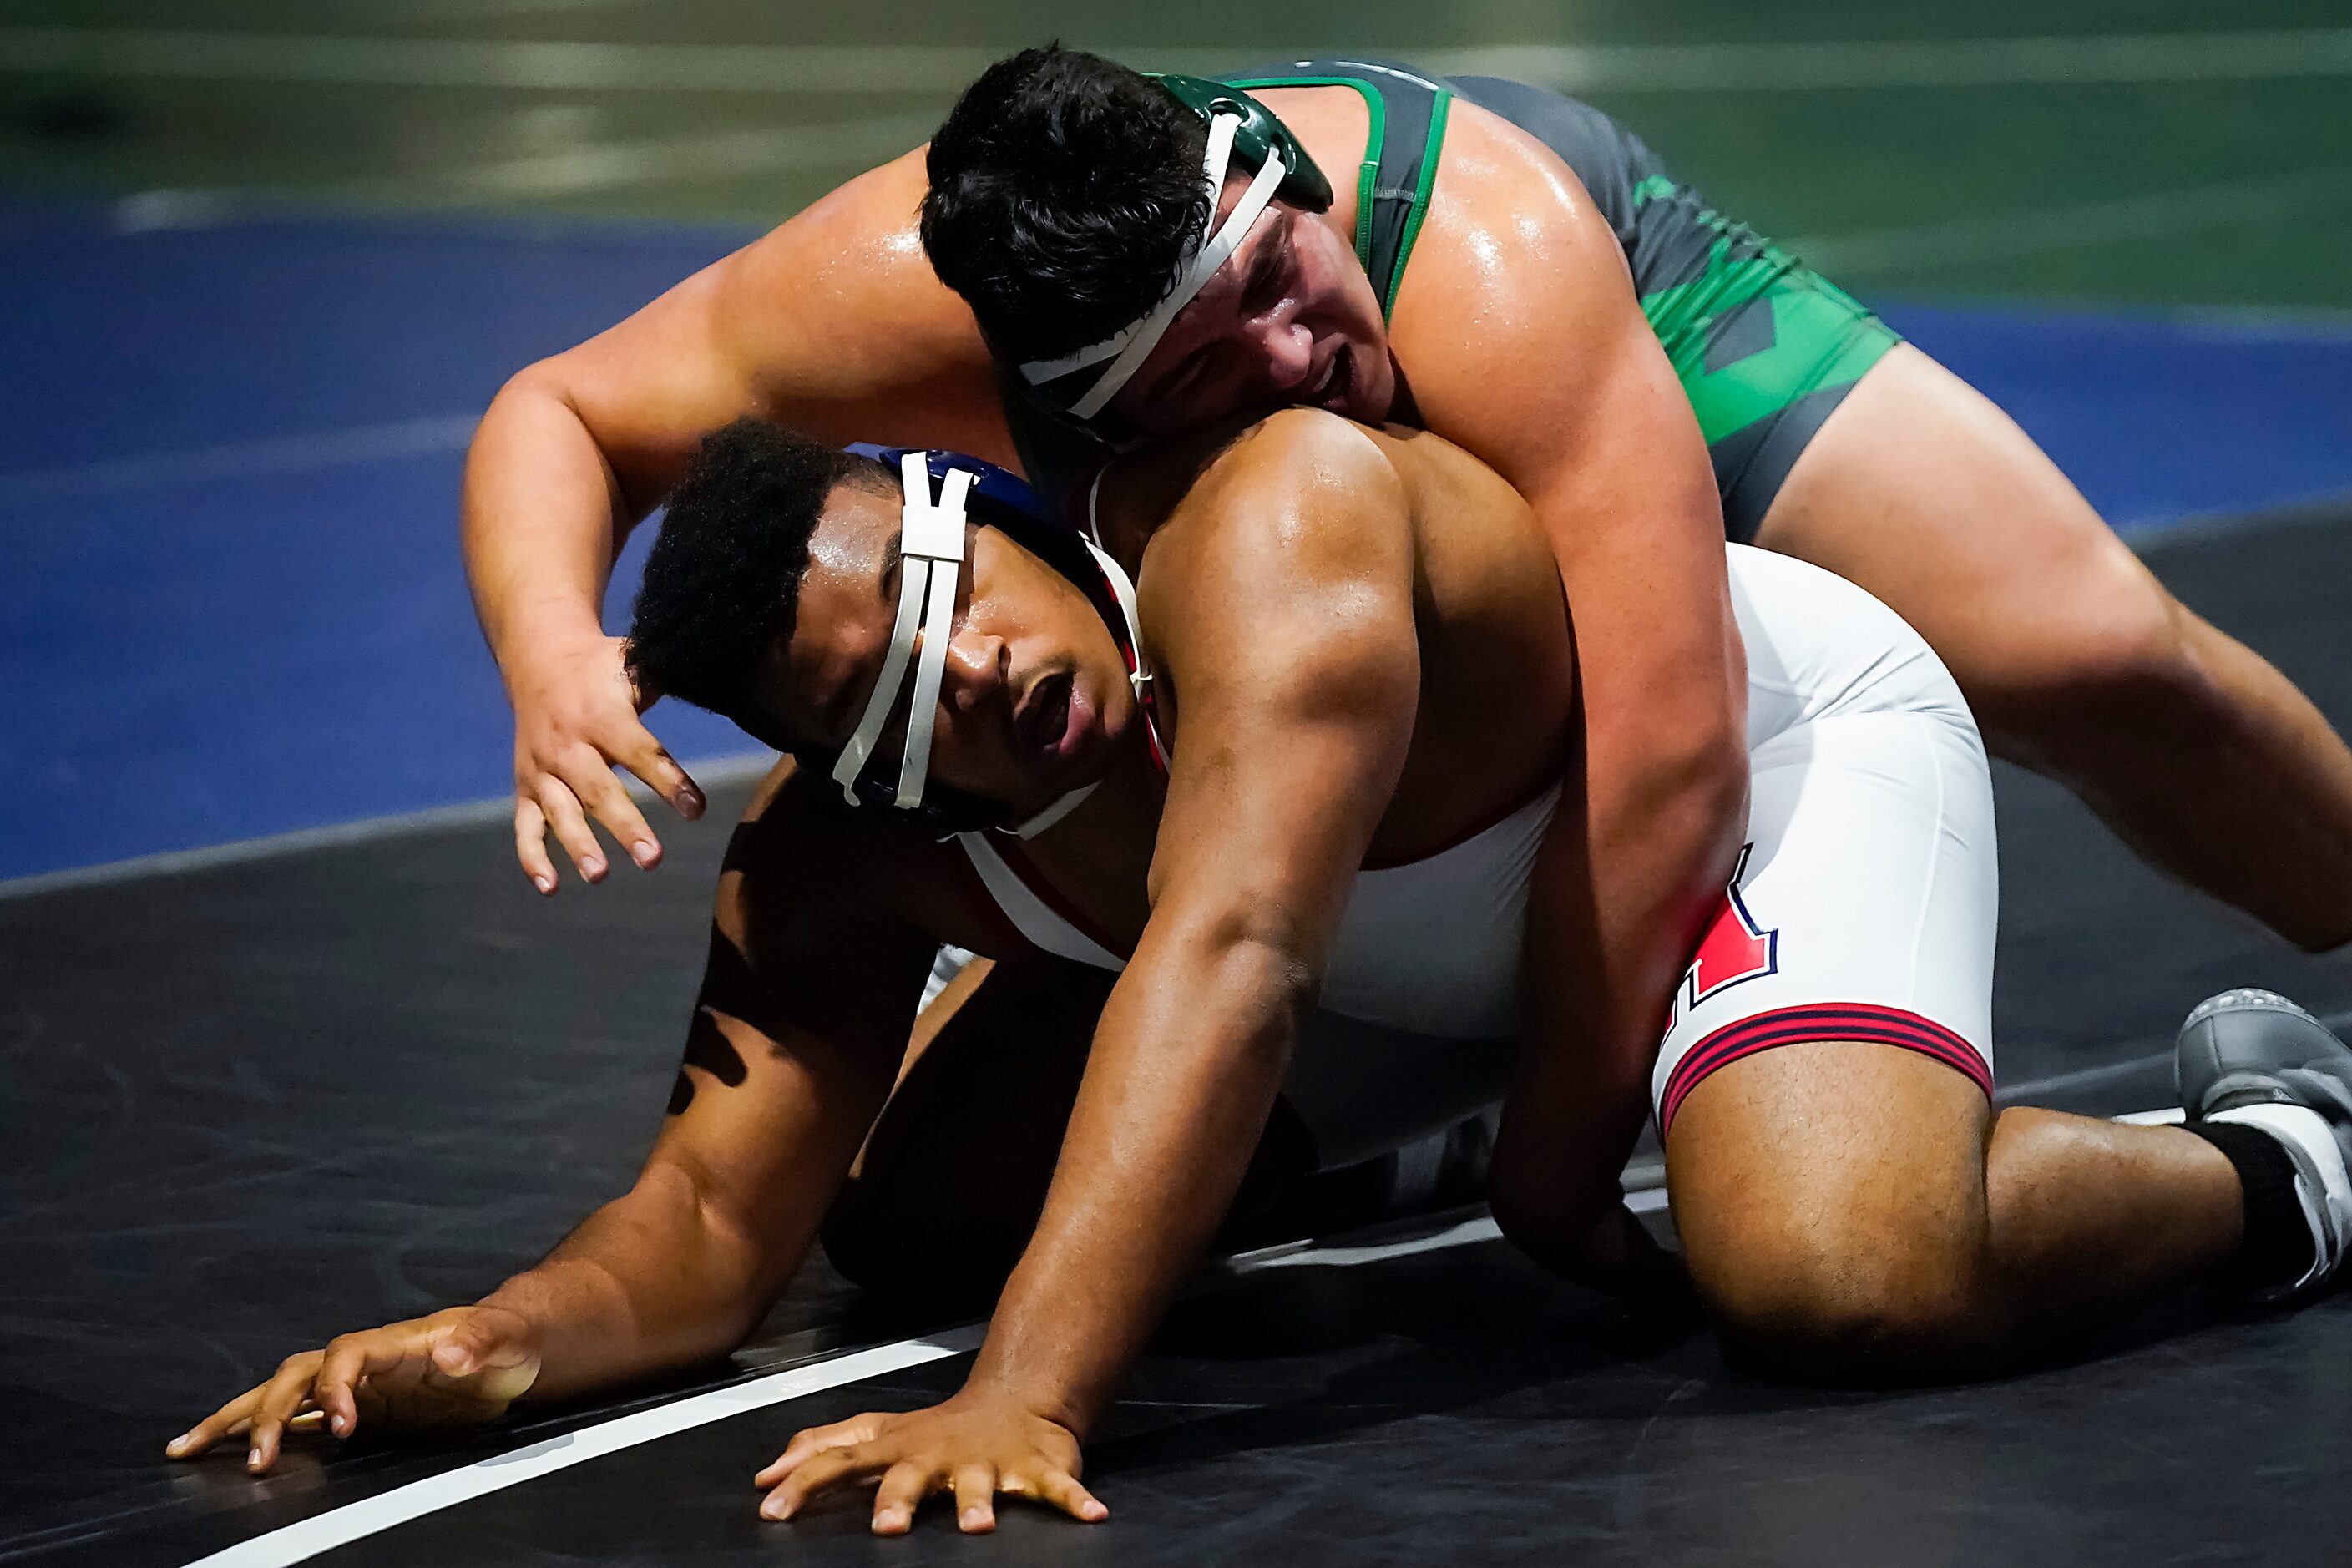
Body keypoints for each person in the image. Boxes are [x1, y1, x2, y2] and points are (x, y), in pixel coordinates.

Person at [182, 415, 2352, 1535]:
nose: (992, 679)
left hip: (1731, 773)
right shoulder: (847, 861)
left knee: (1839, 1274)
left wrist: (1029, 1394)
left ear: (1001, 503)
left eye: (952, 590)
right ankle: (1472, 1113)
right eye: (898, 713)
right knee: (912, 1210)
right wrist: (486, 1338)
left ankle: (2278, 1153)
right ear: (851, 780)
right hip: (1400, 953)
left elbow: (1221, 959)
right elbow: (705, 1225)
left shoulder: (1262, 552)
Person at [463, 47, 2352, 984]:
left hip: (1617, 316)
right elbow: (564, 409)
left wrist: (1556, 1146)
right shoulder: (888, 296)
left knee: (2085, 653)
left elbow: (1672, 758)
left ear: (1278, 182)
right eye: (1216, 365)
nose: (1306, 345)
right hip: (1242, 544)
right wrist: (558, 656)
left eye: (1284, 266)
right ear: (1067, 385)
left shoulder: (1489, 256)